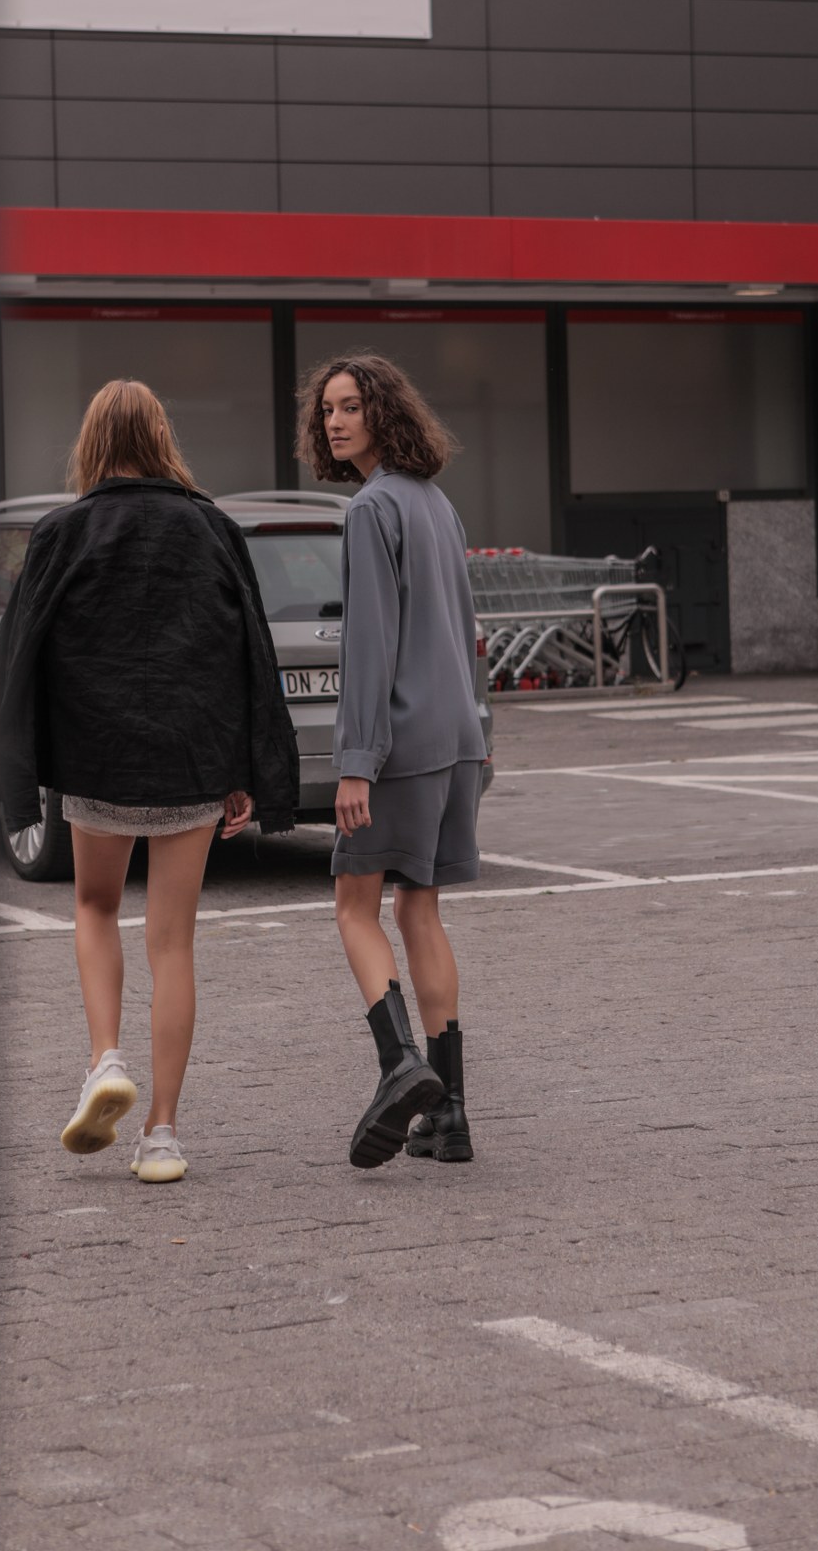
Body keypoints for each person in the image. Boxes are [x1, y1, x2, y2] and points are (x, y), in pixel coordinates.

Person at [0, 380, 299, 1184]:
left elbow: (18, 654)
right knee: (173, 940)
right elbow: (248, 650)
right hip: (191, 761)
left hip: (97, 760)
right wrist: (246, 768)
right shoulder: (212, 527)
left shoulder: (62, 531)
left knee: (94, 907)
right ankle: (162, 1134)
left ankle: (104, 1059)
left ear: (90, 442)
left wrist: (24, 767)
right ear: (163, 438)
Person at [296, 353, 488, 1169]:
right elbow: (464, 629)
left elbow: (370, 646)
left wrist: (355, 762)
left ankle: (399, 1065)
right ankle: (449, 1118)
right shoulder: (435, 503)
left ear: (384, 413)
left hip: (401, 745)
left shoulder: (372, 507)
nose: (336, 422)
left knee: (353, 906)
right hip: (455, 741)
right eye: (327, 410)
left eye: (351, 406)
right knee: (420, 912)